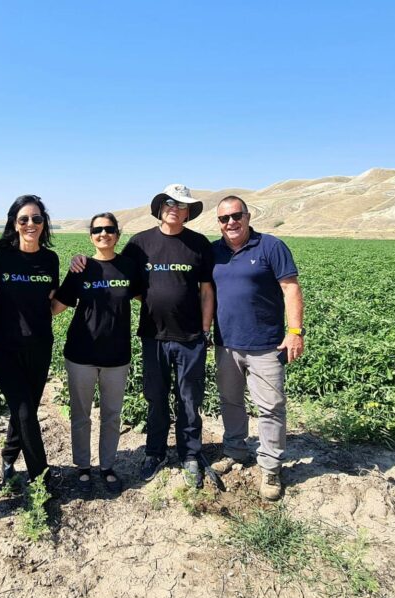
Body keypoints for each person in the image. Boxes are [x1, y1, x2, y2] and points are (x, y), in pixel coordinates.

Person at [71, 184, 214, 483]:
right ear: (160, 208)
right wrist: (79, 261)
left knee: (189, 398)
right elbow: (116, 271)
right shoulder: (139, 243)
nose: (174, 208)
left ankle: (190, 454)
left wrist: (204, 329)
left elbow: (206, 290)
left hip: (190, 338)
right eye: (169, 203)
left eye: (181, 205)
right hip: (153, 336)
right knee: (156, 397)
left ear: (188, 212)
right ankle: (155, 452)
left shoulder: (199, 244)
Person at [210, 195, 305, 501]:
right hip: (226, 344)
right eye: (224, 219)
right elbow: (203, 294)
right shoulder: (214, 252)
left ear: (248, 216)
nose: (231, 223)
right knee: (230, 401)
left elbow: (290, 289)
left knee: (271, 407)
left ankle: (271, 467)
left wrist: (295, 332)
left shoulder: (270, 247)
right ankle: (236, 451)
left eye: (236, 216)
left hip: (266, 344)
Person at [52, 213, 141, 495]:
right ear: (91, 235)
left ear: (118, 233)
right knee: (81, 415)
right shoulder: (81, 267)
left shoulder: (129, 267)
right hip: (81, 354)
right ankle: (82, 466)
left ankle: (107, 466)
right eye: (98, 230)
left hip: (117, 355)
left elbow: (150, 296)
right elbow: (58, 305)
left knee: (112, 415)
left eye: (109, 229)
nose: (104, 234)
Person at [0, 195, 60, 489]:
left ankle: (7, 458)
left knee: (25, 409)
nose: (31, 224)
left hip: (40, 346)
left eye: (37, 219)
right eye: (24, 219)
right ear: (14, 224)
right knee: (25, 411)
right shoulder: (2, 256)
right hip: (5, 346)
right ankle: (41, 477)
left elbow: (52, 300)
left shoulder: (50, 259)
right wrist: (3, 303)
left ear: (44, 223)